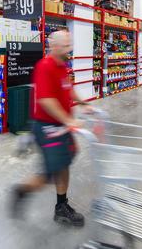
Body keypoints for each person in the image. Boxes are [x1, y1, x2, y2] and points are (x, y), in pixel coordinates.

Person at [11, 30, 93, 227]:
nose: (70, 48)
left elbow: (68, 87)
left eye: (69, 44)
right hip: (48, 128)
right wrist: (69, 120)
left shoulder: (62, 65)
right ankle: (21, 191)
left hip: (61, 126)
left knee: (67, 159)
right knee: (49, 174)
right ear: (54, 46)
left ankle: (61, 206)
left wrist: (83, 103)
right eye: (66, 45)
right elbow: (46, 100)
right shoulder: (44, 67)